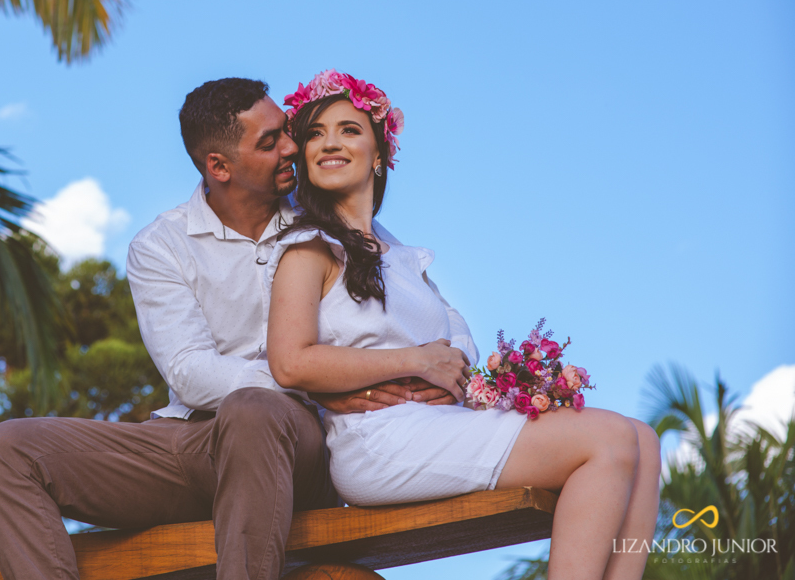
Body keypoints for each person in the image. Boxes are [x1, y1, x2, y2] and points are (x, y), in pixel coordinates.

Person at [0, 77, 453, 580]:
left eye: (285, 131)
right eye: (269, 143)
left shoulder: (324, 222)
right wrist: (315, 383)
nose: (292, 147)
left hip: (295, 443)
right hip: (193, 441)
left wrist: (427, 368)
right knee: (3, 449)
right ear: (218, 166)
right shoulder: (161, 244)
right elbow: (189, 371)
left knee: (254, 410)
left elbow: (422, 296)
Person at [264, 70, 662, 580]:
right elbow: (290, 362)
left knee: (643, 441)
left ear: (380, 154)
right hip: (377, 440)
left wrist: (451, 380)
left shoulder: (403, 258)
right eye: (315, 134)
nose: (329, 143)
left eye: (348, 129)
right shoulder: (309, 249)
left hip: (433, 422)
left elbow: (458, 345)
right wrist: (415, 362)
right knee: (606, 439)